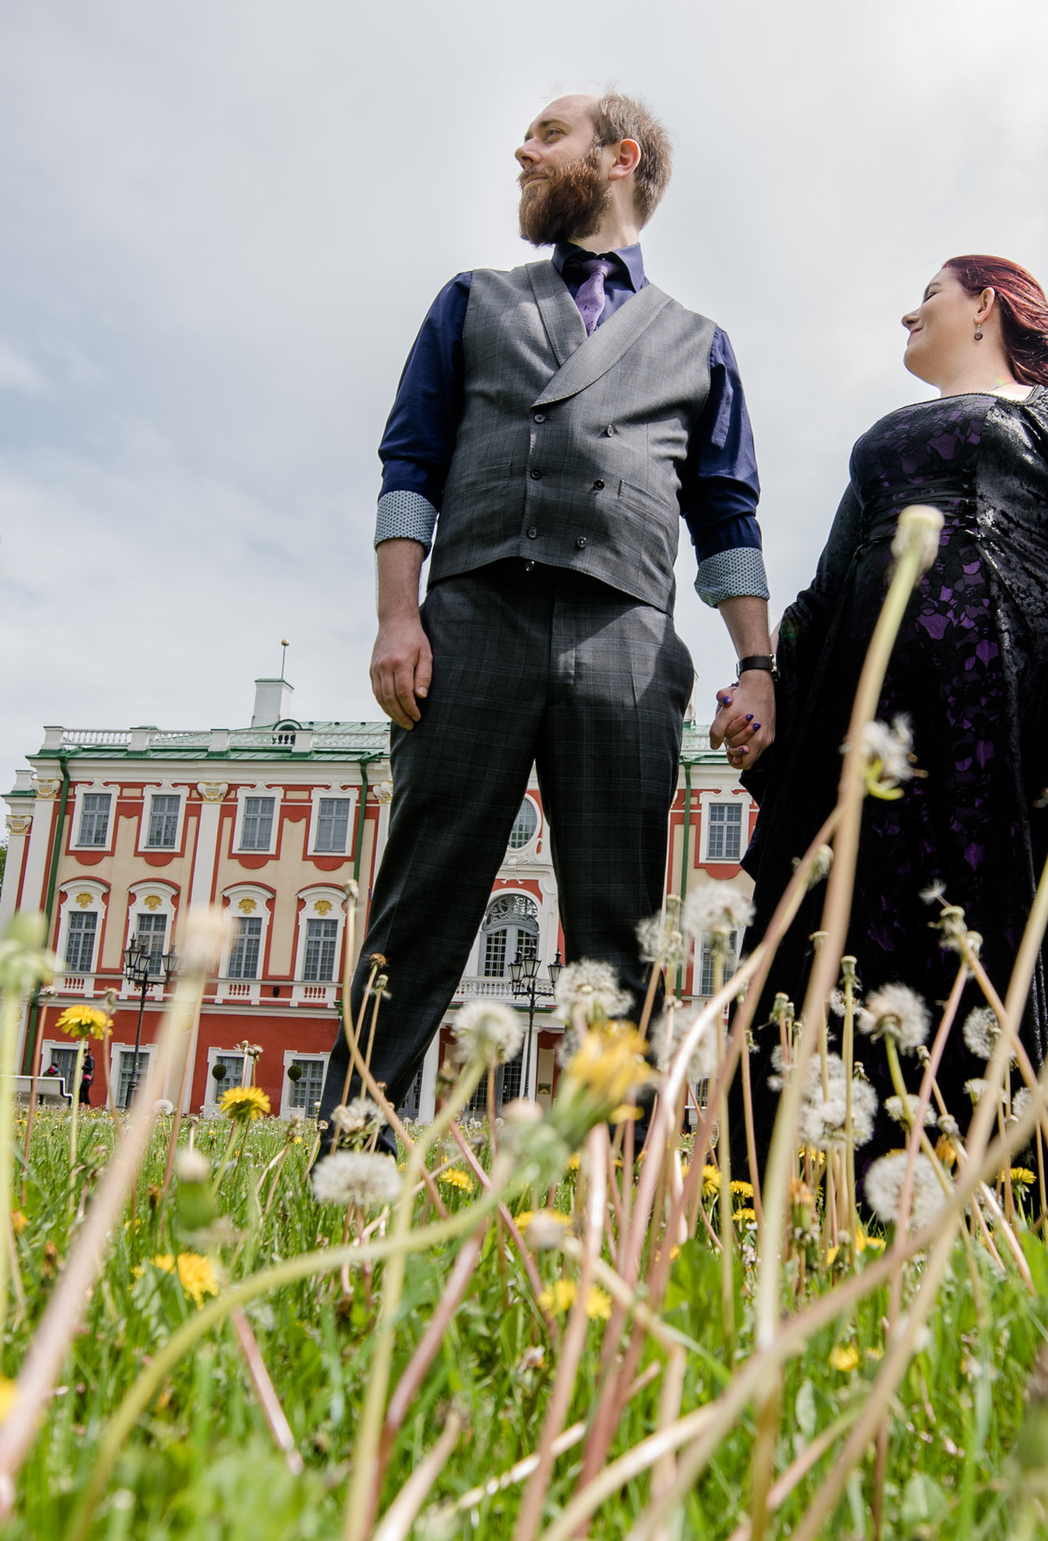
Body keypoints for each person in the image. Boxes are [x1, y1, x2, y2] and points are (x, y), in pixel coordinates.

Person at [733, 252, 1048, 1205]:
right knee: (866, 911)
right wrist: (765, 684)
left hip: (1014, 712)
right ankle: (830, 1188)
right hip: (868, 717)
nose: (906, 314)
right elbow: (828, 587)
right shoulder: (880, 441)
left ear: (986, 306)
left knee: (1020, 913)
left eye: (926, 296)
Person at [329, 88, 774, 1120]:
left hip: (626, 638)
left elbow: (727, 516)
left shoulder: (699, 342)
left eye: (546, 133)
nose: (520, 149)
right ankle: (356, 1148)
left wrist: (757, 666)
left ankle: (616, 1183)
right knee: (421, 901)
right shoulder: (472, 299)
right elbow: (410, 464)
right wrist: (400, 616)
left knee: (620, 925)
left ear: (617, 158)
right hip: (471, 621)